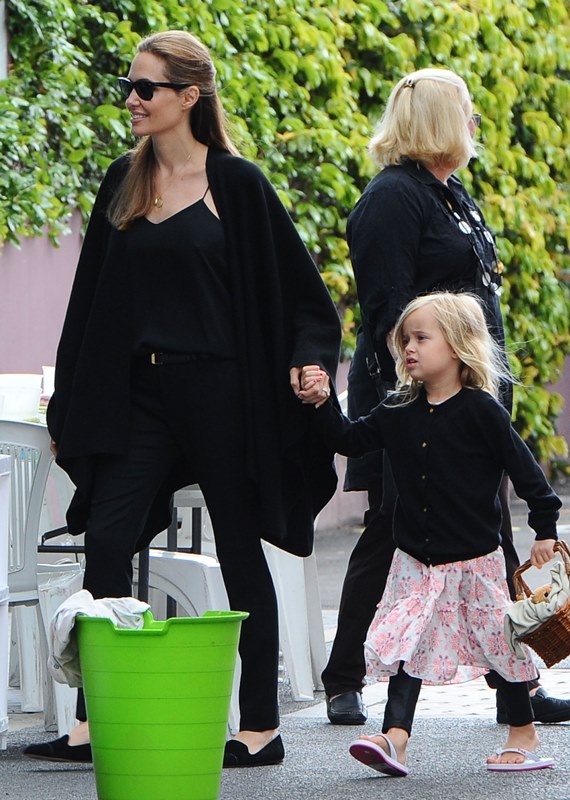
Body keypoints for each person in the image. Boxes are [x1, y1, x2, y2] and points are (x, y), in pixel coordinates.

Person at [23, 29, 340, 767]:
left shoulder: (237, 185)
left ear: (189, 96)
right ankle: (98, 720)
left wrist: (310, 362)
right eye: (129, 87)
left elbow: (302, 295)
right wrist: (72, 401)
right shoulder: (123, 180)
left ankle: (259, 727)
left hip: (223, 392)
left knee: (239, 547)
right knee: (108, 537)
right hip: (139, 394)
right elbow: (89, 303)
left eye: (146, 88)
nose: (132, 100)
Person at [321, 67, 570, 727]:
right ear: (438, 121)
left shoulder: (449, 192)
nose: (475, 123)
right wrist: (424, 396)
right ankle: (344, 677)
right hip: (416, 401)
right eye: (466, 111)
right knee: (392, 529)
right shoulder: (391, 200)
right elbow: (389, 313)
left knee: (490, 531)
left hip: (469, 397)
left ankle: (519, 682)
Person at [302, 291, 560, 774]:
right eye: (405, 340)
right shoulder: (398, 410)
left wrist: (545, 529)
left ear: (458, 346)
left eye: (421, 338)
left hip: (476, 561)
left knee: (500, 645)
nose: (409, 348)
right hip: (415, 561)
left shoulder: (482, 411)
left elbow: (529, 477)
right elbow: (348, 439)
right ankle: (395, 738)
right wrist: (321, 402)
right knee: (409, 645)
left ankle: (523, 732)